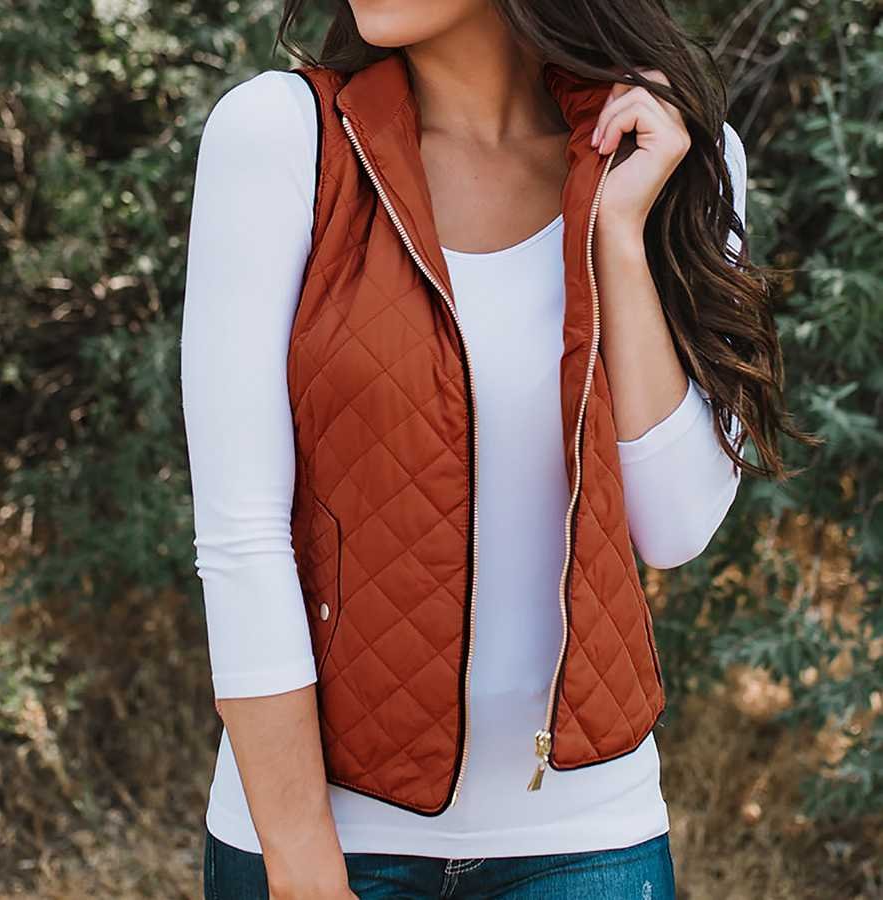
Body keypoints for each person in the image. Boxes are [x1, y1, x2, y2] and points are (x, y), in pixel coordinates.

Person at [181, 2, 802, 897]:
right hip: (321, 839)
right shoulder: (281, 138)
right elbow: (241, 535)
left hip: (587, 841)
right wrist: (301, 858)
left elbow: (675, 527)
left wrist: (618, 234)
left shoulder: (670, 154)